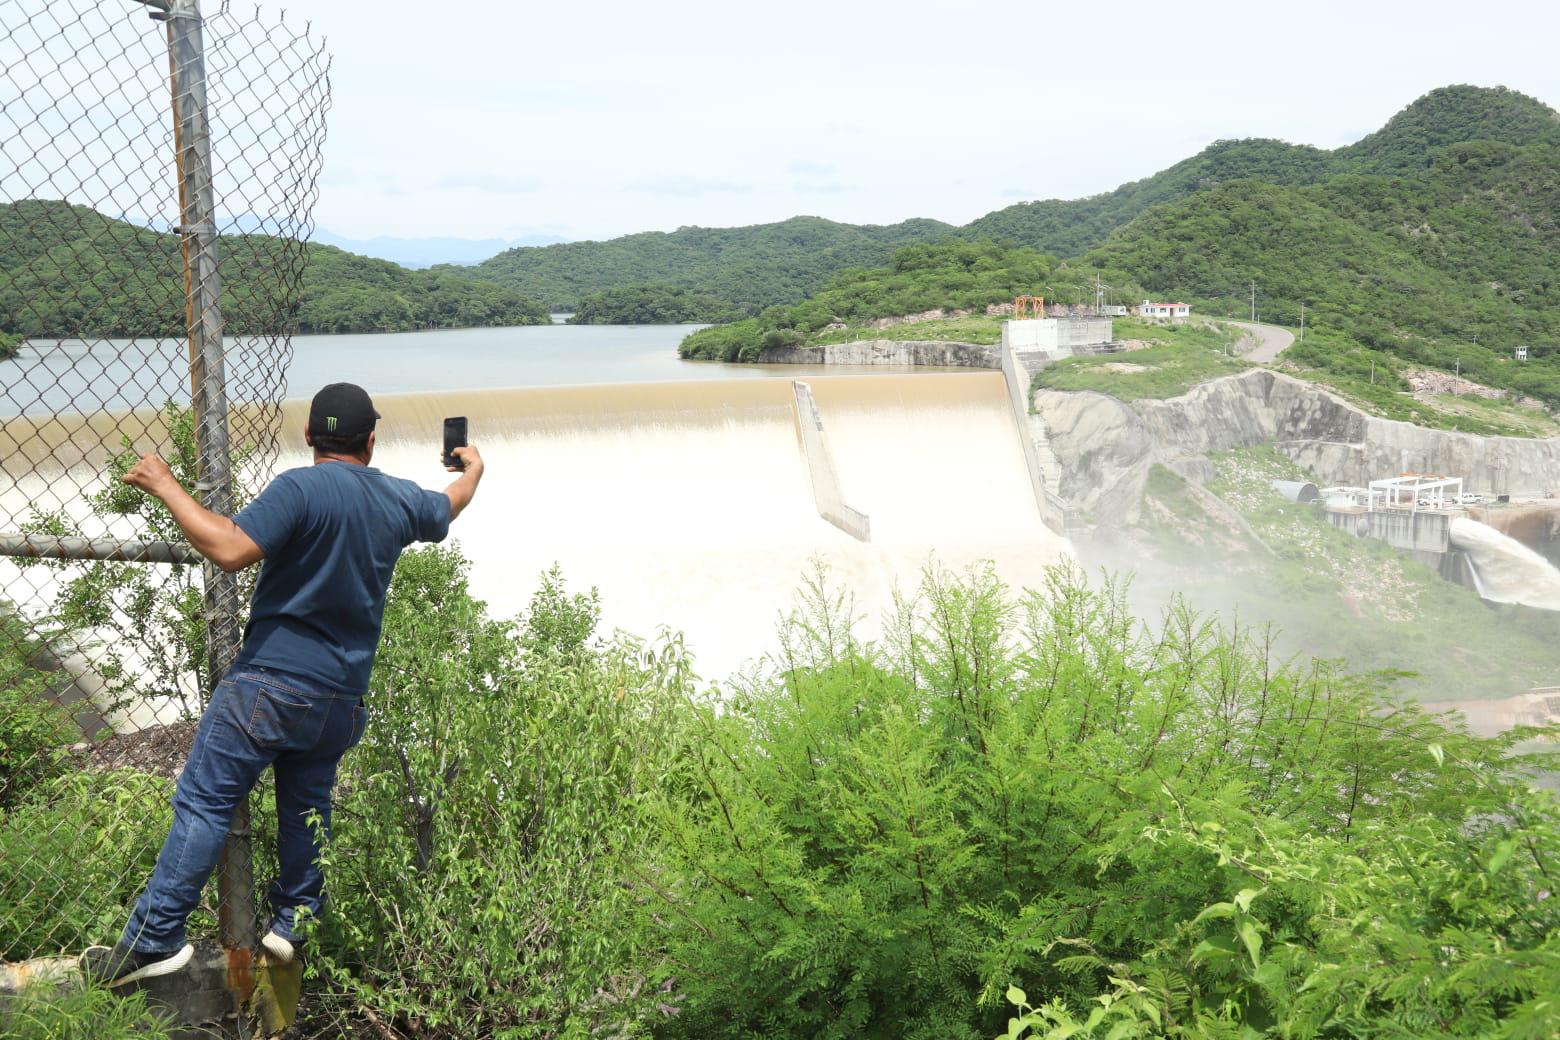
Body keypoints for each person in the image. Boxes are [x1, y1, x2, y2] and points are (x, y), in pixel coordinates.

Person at [80, 382, 484, 987]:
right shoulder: (398, 499)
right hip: (340, 702)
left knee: (204, 803)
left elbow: (230, 548)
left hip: (268, 686)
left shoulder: (299, 487)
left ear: (309, 437)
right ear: (370, 441)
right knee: (307, 810)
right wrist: (472, 470)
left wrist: (166, 484)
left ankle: (154, 939)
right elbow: (446, 504)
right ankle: (293, 923)